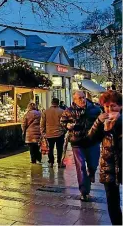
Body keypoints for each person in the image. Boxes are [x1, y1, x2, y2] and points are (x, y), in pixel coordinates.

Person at [60, 90, 102, 202]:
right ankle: (84, 192)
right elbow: (63, 122)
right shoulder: (69, 111)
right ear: (74, 100)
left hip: (92, 142)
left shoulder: (95, 109)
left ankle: (92, 172)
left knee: (93, 164)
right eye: (79, 98)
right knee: (81, 167)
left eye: (83, 97)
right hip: (77, 142)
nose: (82, 100)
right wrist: (67, 125)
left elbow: (101, 122)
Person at [88, 90, 122, 225]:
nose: (109, 109)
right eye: (106, 106)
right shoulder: (103, 120)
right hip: (108, 166)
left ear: (121, 106)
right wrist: (98, 123)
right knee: (112, 203)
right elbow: (90, 139)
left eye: (113, 105)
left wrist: (118, 121)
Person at [41, 98, 66, 168]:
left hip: (49, 133)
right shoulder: (62, 111)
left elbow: (42, 124)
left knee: (50, 149)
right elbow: (65, 123)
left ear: (51, 103)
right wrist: (64, 130)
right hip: (59, 133)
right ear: (58, 103)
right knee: (60, 149)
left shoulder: (46, 112)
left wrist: (43, 133)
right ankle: (59, 162)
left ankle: (51, 162)